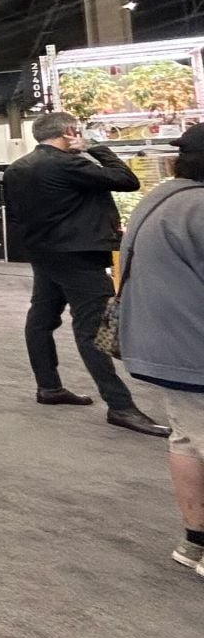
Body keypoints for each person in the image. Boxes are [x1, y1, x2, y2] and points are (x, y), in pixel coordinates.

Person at [2, 111, 168, 436]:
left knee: (41, 320)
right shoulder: (67, 164)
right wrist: (95, 148)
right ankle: (120, 406)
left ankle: (49, 386)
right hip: (79, 254)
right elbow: (126, 180)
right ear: (69, 131)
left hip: (44, 253)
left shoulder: (17, 168)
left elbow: (16, 214)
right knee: (91, 328)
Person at [116, 124, 204, 574]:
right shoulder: (198, 206)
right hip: (192, 343)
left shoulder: (162, 197)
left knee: (188, 438)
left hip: (163, 343)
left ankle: (196, 541)